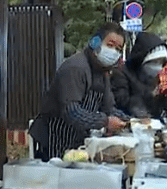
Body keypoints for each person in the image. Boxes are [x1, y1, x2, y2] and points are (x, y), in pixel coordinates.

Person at [30, 22, 129, 161]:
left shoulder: (102, 73)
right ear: (95, 42)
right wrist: (105, 121)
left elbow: (108, 108)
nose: (113, 52)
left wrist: (130, 121)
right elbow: (72, 112)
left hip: (77, 141)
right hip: (53, 139)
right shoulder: (76, 68)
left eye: (118, 49)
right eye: (110, 45)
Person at [112, 32, 167, 119]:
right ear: (142, 59)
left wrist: (164, 98)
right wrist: (150, 95)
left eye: (162, 62)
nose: (158, 67)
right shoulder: (121, 73)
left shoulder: (152, 77)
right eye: (155, 62)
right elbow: (122, 102)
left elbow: (155, 110)